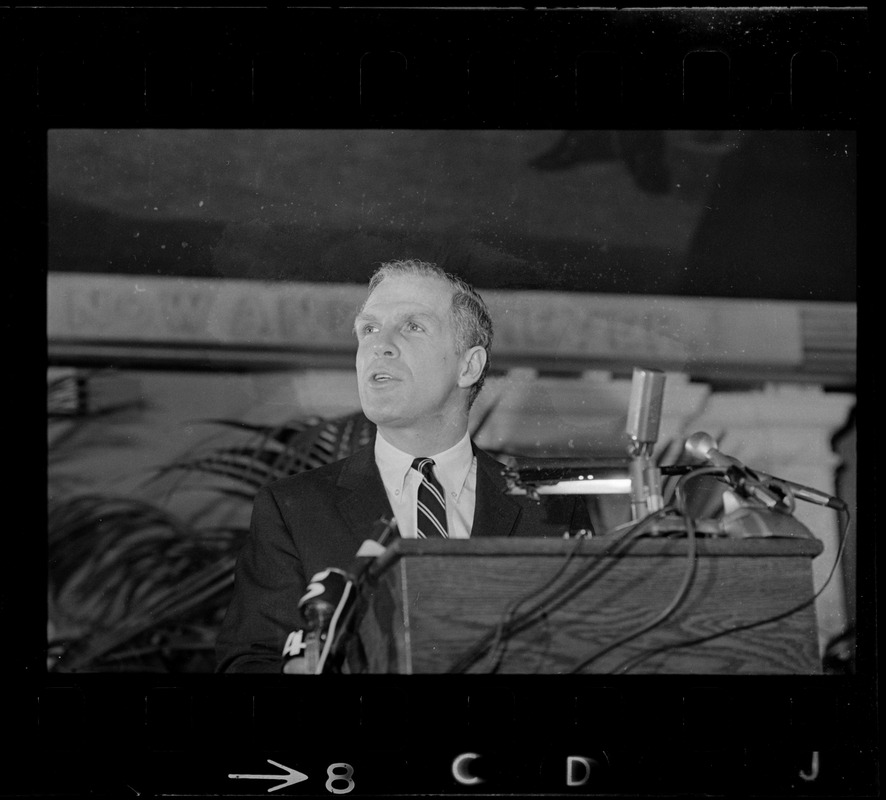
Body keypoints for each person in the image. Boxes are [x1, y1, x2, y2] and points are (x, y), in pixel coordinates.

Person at [215, 259, 592, 673]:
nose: (380, 345)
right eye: (369, 329)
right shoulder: (292, 508)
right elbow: (247, 663)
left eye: (412, 326)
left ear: (469, 366)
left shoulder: (551, 504)